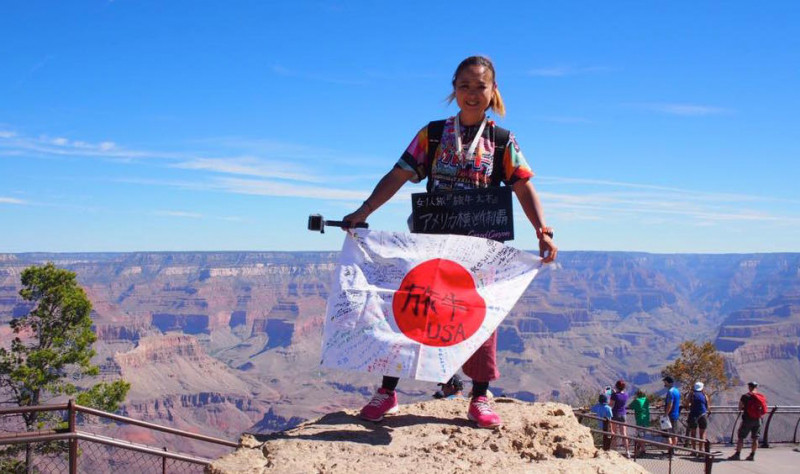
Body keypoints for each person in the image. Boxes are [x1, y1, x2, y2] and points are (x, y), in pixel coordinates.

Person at [342, 55, 558, 429]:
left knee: (479, 319)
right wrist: (364, 210)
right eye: (464, 86)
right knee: (410, 311)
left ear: (493, 92)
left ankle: (479, 397)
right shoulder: (433, 134)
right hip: (432, 245)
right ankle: (388, 390)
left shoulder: (502, 141)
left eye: (480, 87)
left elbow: (523, 184)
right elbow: (399, 174)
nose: (472, 94)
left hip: (480, 250)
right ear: (453, 90)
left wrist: (543, 229)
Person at [728, 381, 768, 461]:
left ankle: (737, 455)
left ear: (749, 387)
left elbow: (740, 407)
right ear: (756, 387)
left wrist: (745, 408)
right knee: (755, 438)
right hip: (758, 419)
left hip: (747, 419)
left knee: (741, 437)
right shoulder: (760, 396)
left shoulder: (745, 396)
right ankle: (752, 455)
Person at [609, 379, 631, 457]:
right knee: (624, 434)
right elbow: (620, 398)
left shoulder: (614, 395)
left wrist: (612, 394)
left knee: (614, 433)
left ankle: (614, 451)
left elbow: (611, 404)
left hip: (615, 414)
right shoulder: (626, 395)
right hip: (623, 414)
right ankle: (627, 451)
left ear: (617, 386)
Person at [687, 381, 710, 454]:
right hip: (703, 415)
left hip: (693, 415)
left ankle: (693, 450)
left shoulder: (691, 394)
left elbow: (687, 404)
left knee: (693, 433)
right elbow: (708, 406)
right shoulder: (704, 395)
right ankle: (701, 450)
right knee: (702, 434)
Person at [628, 389, 650, 456]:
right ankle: (638, 450)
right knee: (641, 436)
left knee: (640, 437)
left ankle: (643, 450)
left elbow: (630, 406)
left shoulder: (637, 401)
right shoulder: (646, 400)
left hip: (640, 421)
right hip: (646, 420)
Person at [663, 376, 680, 447]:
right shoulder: (676, 390)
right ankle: (673, 449)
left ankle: (670, 450)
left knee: (668, 434)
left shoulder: (670, 392)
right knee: (674, 433)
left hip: (670, 415)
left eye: (665, 382)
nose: (664, 383)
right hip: (676, 413)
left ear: (668, 382)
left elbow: (670, 404)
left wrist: (666, 414)